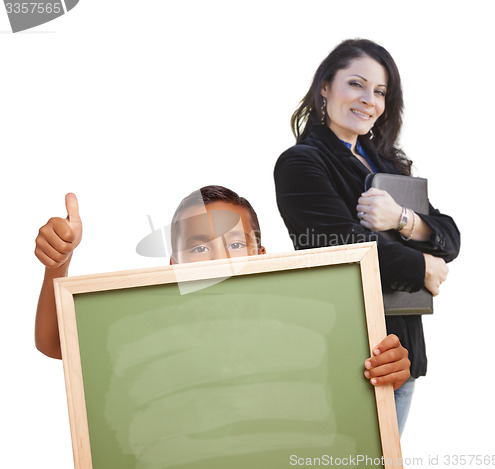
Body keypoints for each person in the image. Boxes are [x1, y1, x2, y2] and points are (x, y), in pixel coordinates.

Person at [34, 185, 411, 392]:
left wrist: (389, 369)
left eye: (234, 244)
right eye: (199, 247)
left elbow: (359, 373)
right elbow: (54, 342)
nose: (218, 259)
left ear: (261, 256)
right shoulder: (150, 327)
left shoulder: (305, 328)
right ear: (175, 267)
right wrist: (58, 264)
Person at [274, 39, 460, 434]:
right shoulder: (302, 162)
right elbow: (338, 247)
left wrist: (402, 218)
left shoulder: (387, 163)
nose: (368, 100)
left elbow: (451, 237)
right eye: (356, 84)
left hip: (404, 350)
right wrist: (422, 266)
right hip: (356, 352)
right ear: (325, 86)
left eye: (380, 92)